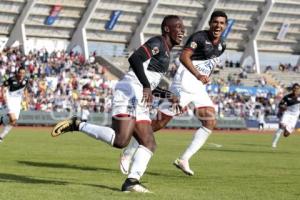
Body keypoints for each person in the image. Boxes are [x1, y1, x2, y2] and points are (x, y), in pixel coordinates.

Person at [51, 15, 185, 193]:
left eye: (183, 27)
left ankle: (132, 181)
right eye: (179, 27)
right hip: (129, 91)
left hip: (139, 94)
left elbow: (150, 85)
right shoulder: (158, 42)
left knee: (149, 142)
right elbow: (135, 59)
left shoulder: (167, 52)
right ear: (167, 29)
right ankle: (78, 124)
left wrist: (168, 95)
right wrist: (146, 86)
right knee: (121, 140)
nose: (182, 30)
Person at [120, 10, 228, 176]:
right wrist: (199, 75)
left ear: (225, 26)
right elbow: (184, 57)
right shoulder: (199, 37)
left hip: (198, 87)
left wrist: (204, 78)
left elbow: (207, 64)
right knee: (158, 124)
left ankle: (184, 159)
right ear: (210, 23)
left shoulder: (222, 45)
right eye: (215, 22)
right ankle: (128, 153)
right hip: (184, 83)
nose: (218, 26)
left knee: (210, 121)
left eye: (221, 23)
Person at [0, 67, 29, 142]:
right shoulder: (12, 79)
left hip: (18, 101)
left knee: (14, 121)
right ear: (18, 73)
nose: (22, 74)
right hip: (10, 98)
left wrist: (26, 98)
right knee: (12, 118)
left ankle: (1, 136)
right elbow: (4, 86)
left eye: (23, 73)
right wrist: (3, 95)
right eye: (20, 73)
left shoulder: (25, 80)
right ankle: (2, 119)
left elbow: (25, 89)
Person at [272, 83, 300, 148]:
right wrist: (283, 107)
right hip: (287, 113)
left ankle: (285, 126)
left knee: (286, 134)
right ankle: (274, 143)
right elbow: (280, 105)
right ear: (292, 89)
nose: (296, 90)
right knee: (281, 127)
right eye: (295, 88)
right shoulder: (287, 97)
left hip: (294, 117)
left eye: (297, 88)